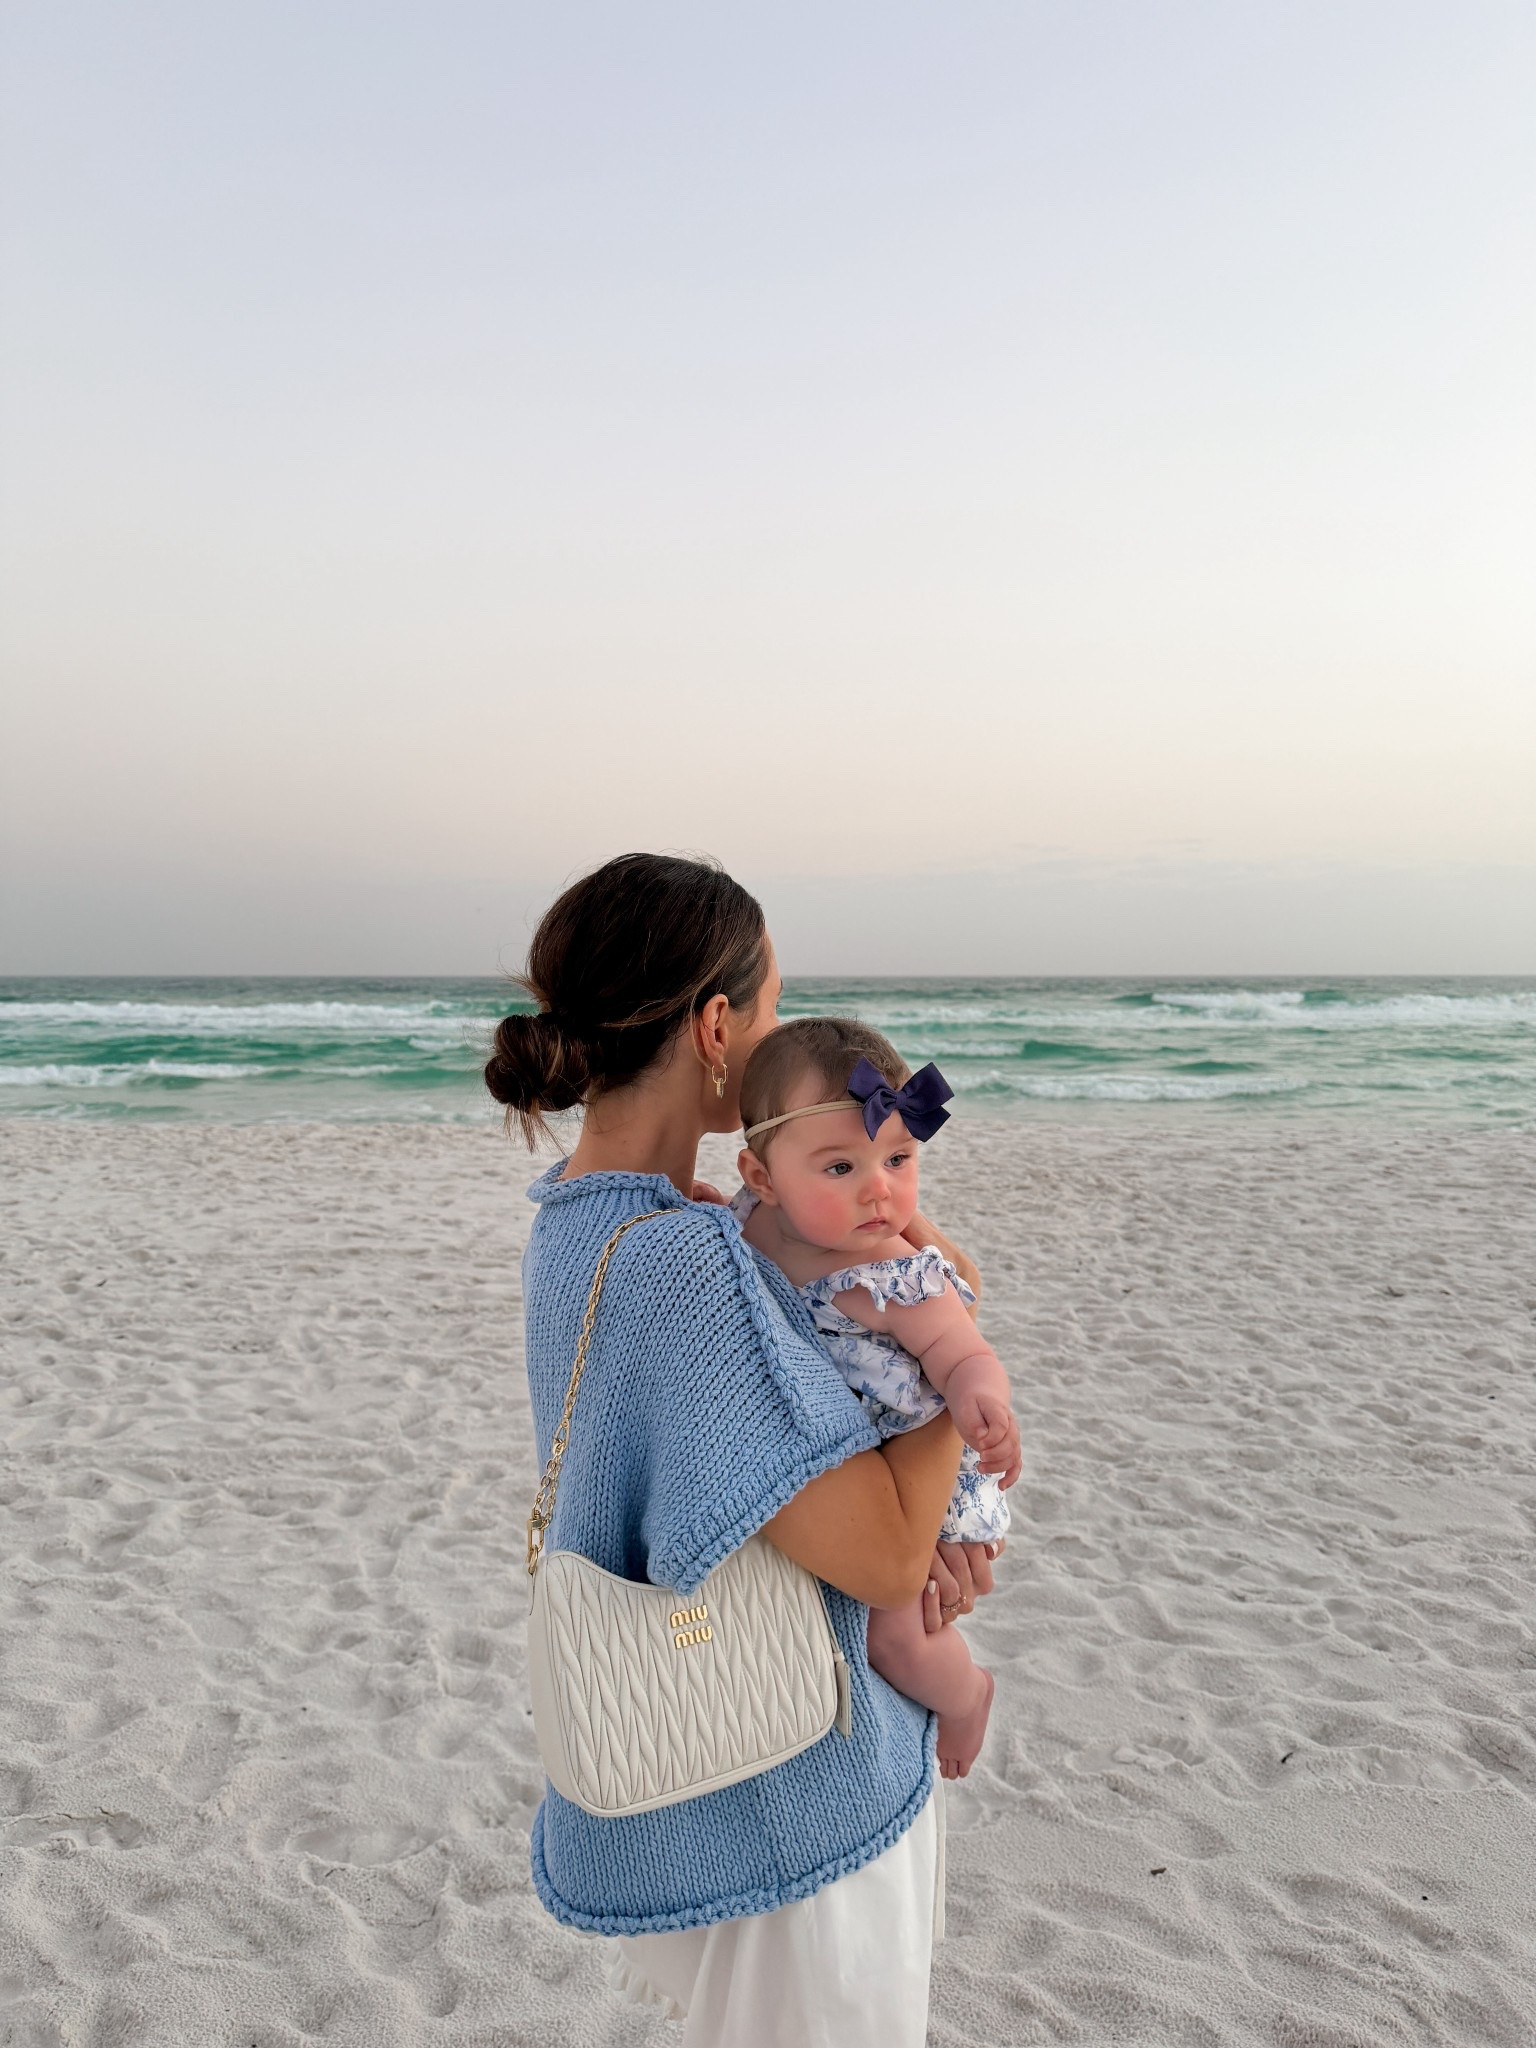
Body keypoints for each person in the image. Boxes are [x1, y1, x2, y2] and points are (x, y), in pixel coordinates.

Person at [485, 852, 1002, 2048]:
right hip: (791, 1780)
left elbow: (749, 1476)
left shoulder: (581, 1219)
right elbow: (878, 1554)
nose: (778, 1034)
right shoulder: (685, 1261)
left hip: (729, 1750)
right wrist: (944, 1358)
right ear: (718, 1026)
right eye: (771, 1007)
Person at [728, 1016, 1021, 1781]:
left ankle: (967, 1696)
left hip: (919, 1472)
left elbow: (963, 1351)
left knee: (895, 1637)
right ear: (762, 1180)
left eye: (898, 1158)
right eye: (840, 1169)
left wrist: (980, 1401)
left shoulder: (896, 1275)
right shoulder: (741, 1226)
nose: (879, 1190)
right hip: (840, 1466)